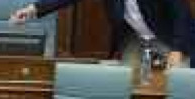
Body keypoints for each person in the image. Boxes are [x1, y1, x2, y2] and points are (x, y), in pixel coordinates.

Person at [11, 0, 195, 68]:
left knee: (180, 78)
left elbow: (182, 15)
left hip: (168, 37)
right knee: (125, 80)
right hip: (135, 39)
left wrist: (177, 49)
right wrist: (33, 9)